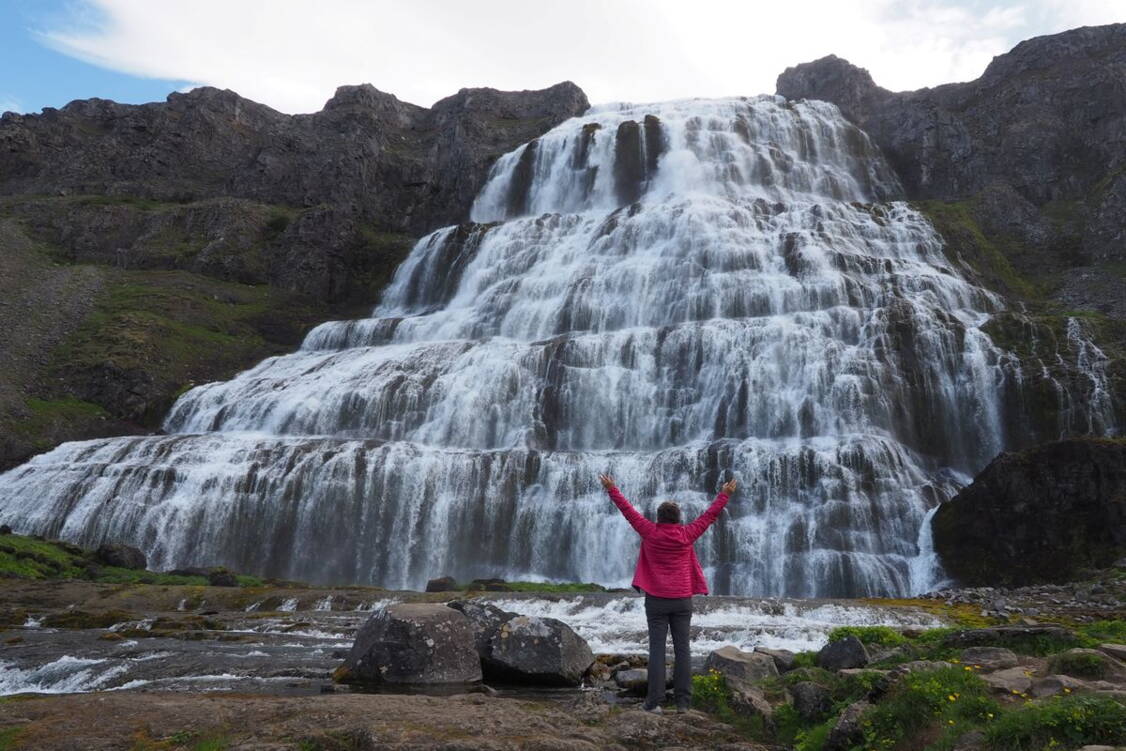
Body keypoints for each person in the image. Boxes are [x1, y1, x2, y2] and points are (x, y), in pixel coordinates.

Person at [598, 472, 737, 714]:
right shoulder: (687, 534)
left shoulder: (649, 532)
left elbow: (627, 511)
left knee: (657, 650)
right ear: (678, 519)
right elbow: (709, 516)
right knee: (683, 650)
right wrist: (724, 495)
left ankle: (654, 702)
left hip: (656, 600)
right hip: (682, 599)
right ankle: (683, 703)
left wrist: (612, 488)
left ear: (659, 518)